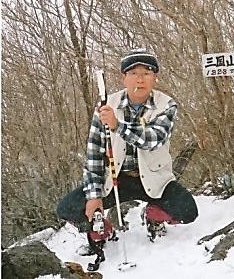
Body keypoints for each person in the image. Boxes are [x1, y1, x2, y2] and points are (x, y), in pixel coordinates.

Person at [56, 48, 198, 253]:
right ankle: (103, 230)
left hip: (153, 179)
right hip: (115, 180)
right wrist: (94, 195)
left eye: (146, 74)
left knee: (187, 211)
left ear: (155, 78)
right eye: (133, 74)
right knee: (67, 208)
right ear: (123, 78)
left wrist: (117, 126)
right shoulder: (106, 106)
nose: (140, 80)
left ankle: (153, 215)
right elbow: (94, 153)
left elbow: (153, 139)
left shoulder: (166, 105)